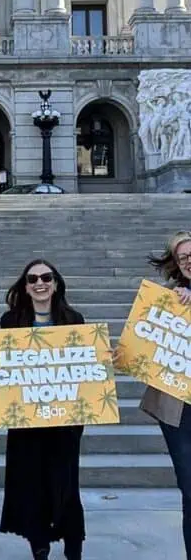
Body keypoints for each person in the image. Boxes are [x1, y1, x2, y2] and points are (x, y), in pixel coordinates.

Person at [0, 259, 85, 560]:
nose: (40, 283)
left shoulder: (73, 319)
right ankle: (39, 546)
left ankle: (73, 545)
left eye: (46, 278)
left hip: (65, 418)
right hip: (26, 418)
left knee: (66, 485)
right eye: (32, 279)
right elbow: (4, 363)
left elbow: (83, 363)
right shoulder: (11, 321)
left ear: (56, 283)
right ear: (25, 287)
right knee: (31, 484)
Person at [141, 231, 191, 559]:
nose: (188, 261)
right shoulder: (168, 300)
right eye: (182, 257)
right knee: (190, 487)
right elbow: (143, 346)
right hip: (179, 409)